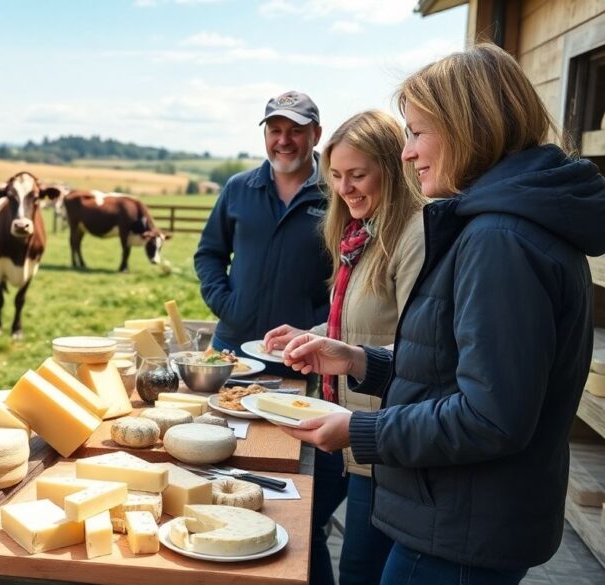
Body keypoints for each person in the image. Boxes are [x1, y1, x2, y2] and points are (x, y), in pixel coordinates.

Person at [278, 43, 605, 584]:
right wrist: (360, 361)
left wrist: (360, 429)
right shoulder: (503, 227)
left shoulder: (500, 239)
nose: (406, 154)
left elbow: (490, 417)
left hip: (461, 530)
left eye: (416, 133)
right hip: (461, 518)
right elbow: (455, 370)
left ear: (467, 128)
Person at [262, 110, 426, 585]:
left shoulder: (412, 237)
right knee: (307, 530)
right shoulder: (359, 233)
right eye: (335, 176)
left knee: (358, 568)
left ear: (392, 170)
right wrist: (310, 334)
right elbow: (362, 323)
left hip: (382, 437)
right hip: (348, 424)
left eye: (357, 175)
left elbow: (422, 343)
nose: (344, 188)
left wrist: (348, 356)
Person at [194, 91, 330, 377]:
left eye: (296, 131)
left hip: (299, 355)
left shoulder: (336, 195)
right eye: (275, 130)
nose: (283, 140)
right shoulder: (238, 188)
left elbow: (351, 274)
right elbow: (209, 254)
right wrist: (227, 305)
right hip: (231, 349)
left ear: (316, 134)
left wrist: (317, 323)